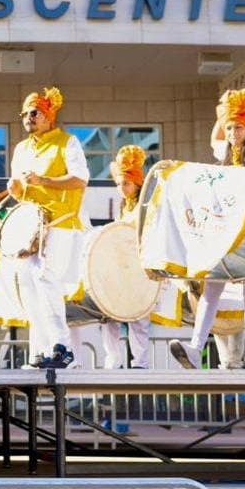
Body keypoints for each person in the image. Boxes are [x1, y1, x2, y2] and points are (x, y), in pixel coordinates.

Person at [169, 84, 245, 370]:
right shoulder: (225, 151)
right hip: (224, 231)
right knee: (211, 289)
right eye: (230, 127)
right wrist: (227, 102)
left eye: (238, 128)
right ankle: (195, 349)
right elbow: (214, 135)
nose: (233, 133)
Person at [6, 87, 89, 369]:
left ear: (49, 115)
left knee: (45, 278)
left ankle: (62, 348)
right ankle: (40, 352)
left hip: (61, 222)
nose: (28, 117)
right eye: (25, 114)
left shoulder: (68, 142)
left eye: (34, 112)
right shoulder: (21, 148)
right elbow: (22, 191)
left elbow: (80, 180)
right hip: (31, 225)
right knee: (28, 284)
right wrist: (15, 188)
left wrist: (44, 181)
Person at [101, 144, 152, 369]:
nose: (122, 188)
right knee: (108, 313)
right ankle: (113, 359)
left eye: (126, 183)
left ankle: (140, 362)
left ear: (137, 183)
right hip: (121, 267)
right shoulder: (123, 206)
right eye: (119, 183)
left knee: (139, 315)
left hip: (140, 267)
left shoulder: (146, 206)